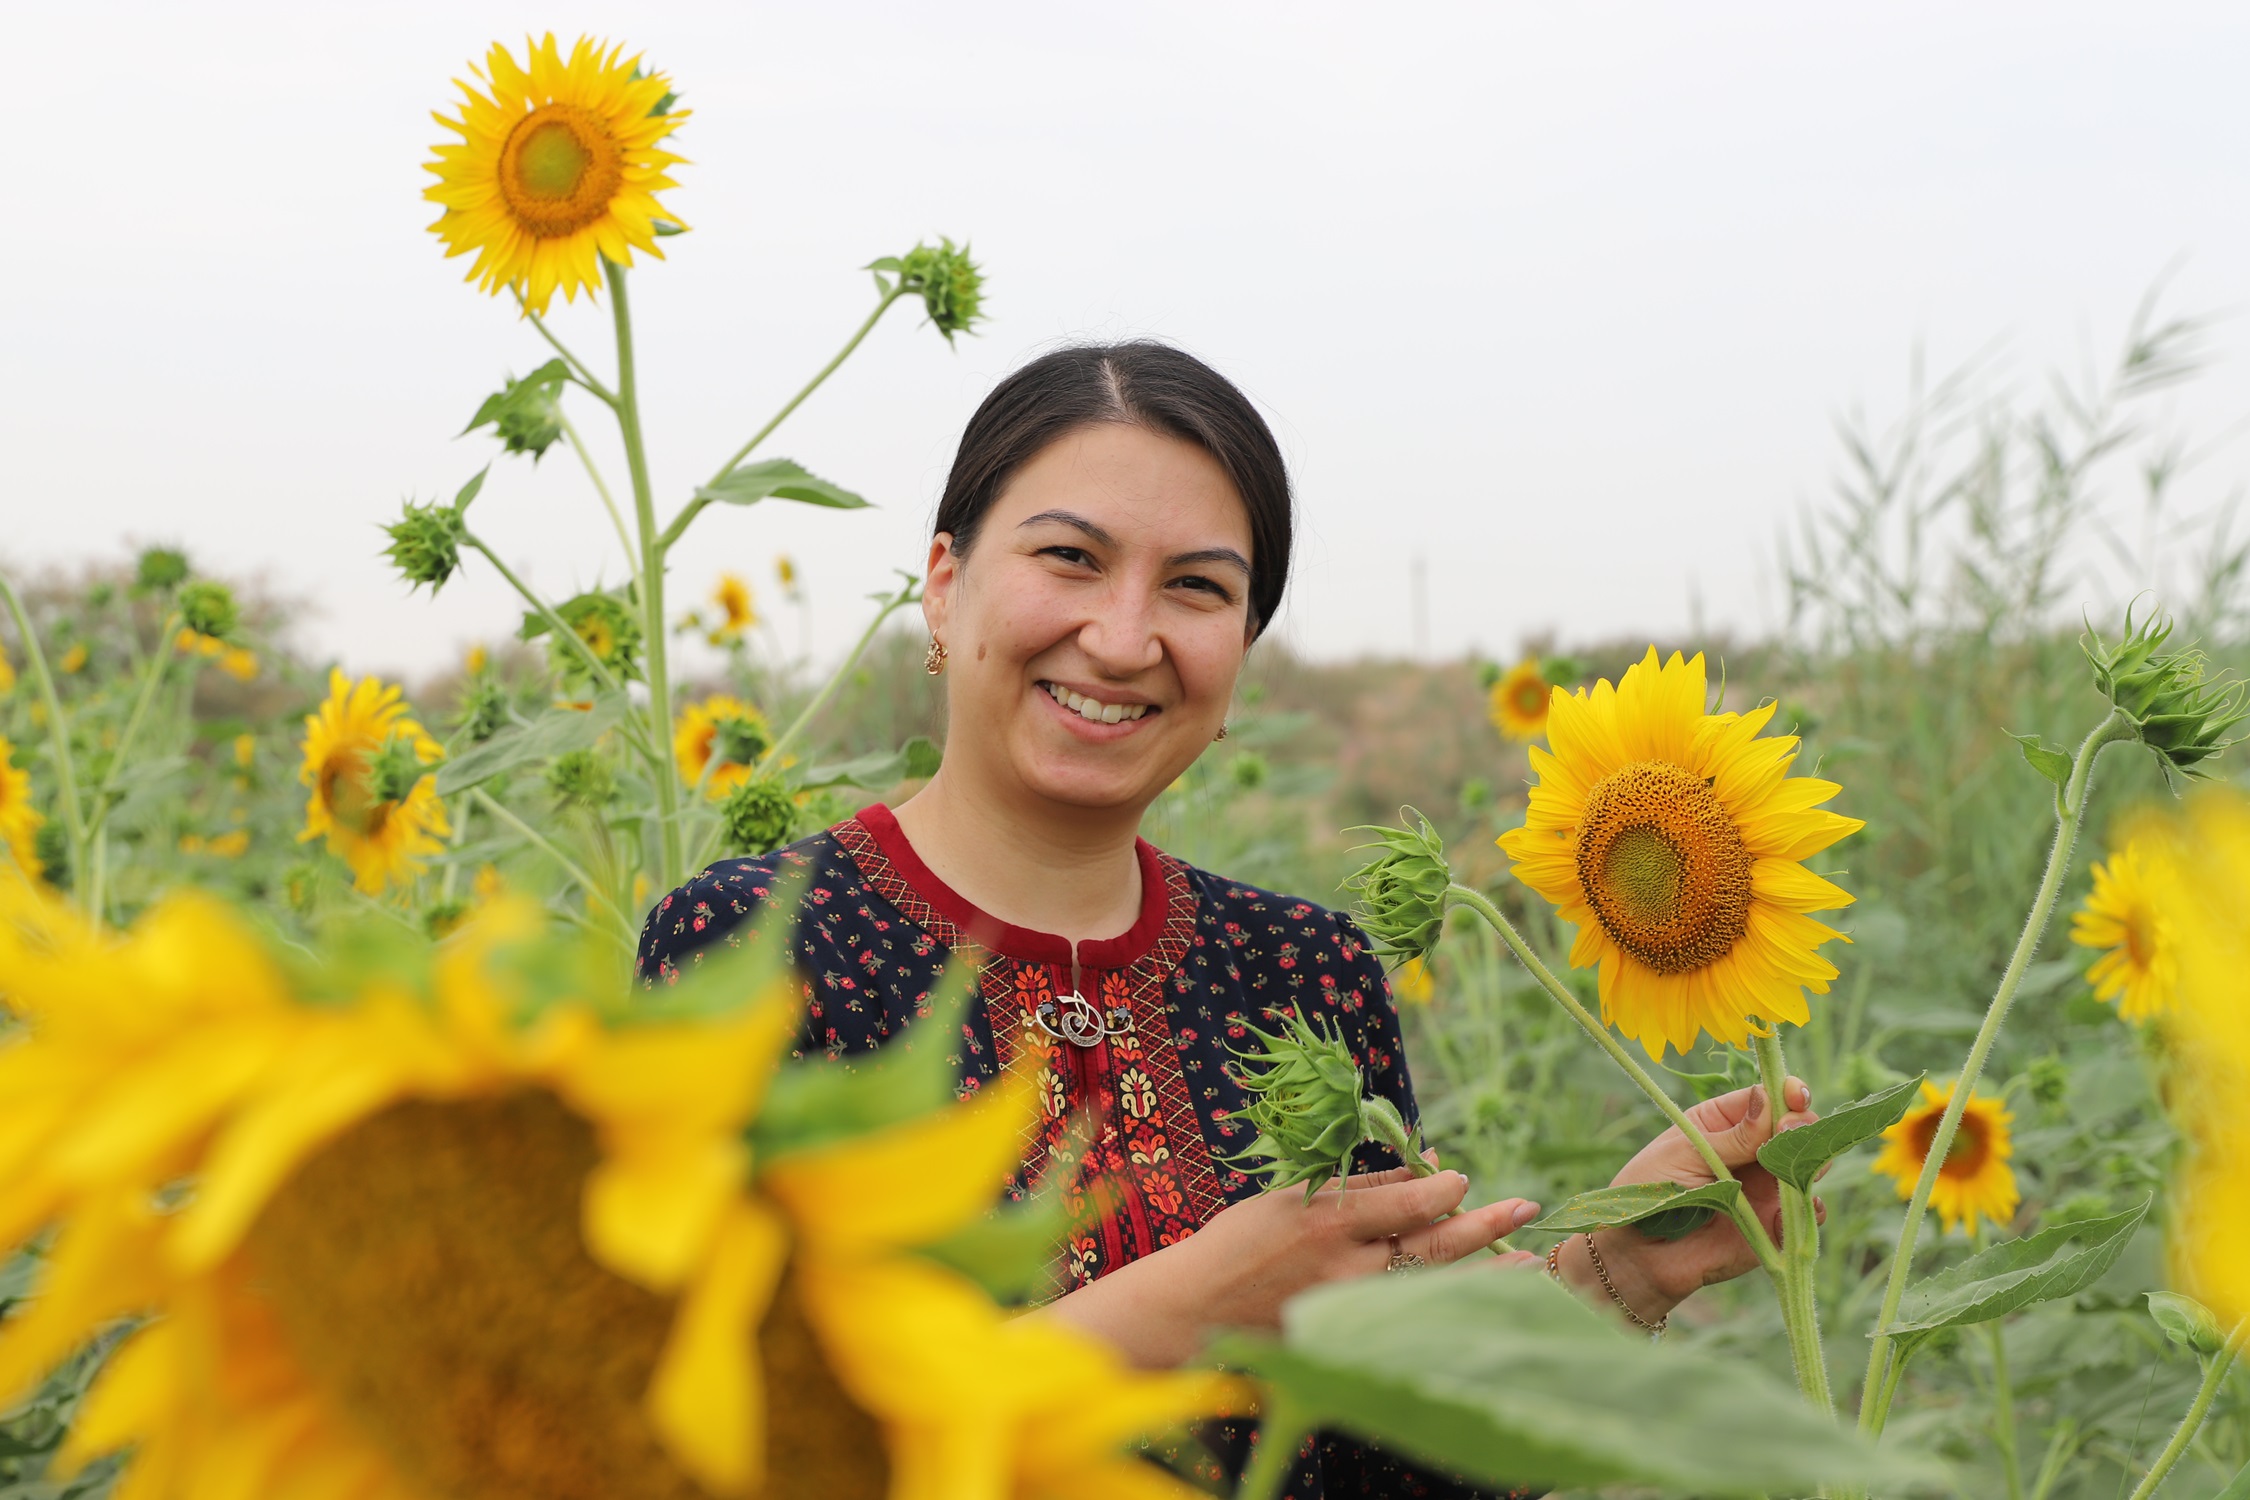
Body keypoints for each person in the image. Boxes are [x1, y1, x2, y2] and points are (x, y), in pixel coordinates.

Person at [636, 341, 1818, 1498]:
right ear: (944, 585)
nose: (1123, 636)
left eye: (1197, 587)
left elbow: (1366, 1461)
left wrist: (1605, 1278)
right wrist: (1186, 1309)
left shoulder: (1307, 972)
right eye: (1071, 557)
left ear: (1242, 651)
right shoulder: (754, 951)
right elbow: (721, 1449)